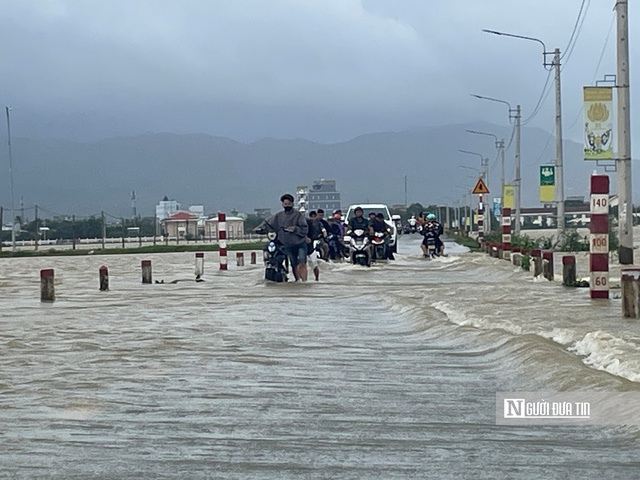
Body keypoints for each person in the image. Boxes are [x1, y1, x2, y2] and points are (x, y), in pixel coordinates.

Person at [264, 193, 309, 281]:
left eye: (289, 204)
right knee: (294, 264)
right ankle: (297, 280)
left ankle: (304, 281)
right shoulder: (278, 216)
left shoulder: (298, 215)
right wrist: (260, 229)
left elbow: (305, 229)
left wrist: (295, 229)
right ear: (282, 204)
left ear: (292, 204)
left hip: (300, 244)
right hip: (287, 245)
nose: (287, 206)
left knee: (302, 263)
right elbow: (268, 224)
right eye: (285, 204)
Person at [306, 211, 326, 280]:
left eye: (314, 216)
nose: (313, 218)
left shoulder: (319, 223)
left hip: (317, 241)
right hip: (304, 246)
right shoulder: (305, 224)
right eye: (312, 217)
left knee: (315, 264)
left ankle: (317, 278)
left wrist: (324, 235)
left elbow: (324, 230)